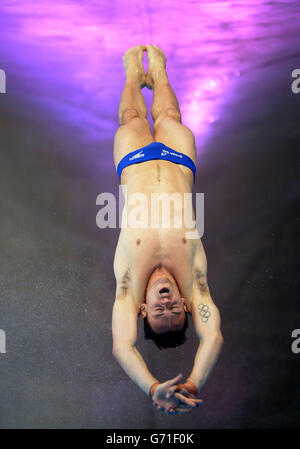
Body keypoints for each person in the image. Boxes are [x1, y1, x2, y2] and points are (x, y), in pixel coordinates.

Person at [112, 45, 223, 415]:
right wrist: (193, 383)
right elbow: (213, 336)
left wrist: (154, 387)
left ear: (142, 310)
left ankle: (132, 75)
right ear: (188, 305)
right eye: (175, 309)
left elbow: (122, 346)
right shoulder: (195, 281)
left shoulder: (128, 285)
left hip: (134, 164)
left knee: (132, 117)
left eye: (159, 312)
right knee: (170, 114)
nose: (166, 303)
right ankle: (158, 73)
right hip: (178, 162)